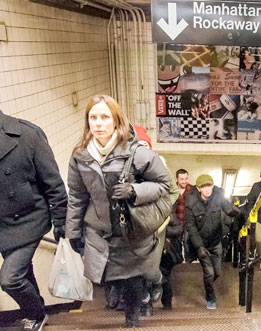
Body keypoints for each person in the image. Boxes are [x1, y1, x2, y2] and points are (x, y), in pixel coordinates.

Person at [66, 95, 172, 328]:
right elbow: (76, 196)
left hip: (130, 229)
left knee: (133, 279)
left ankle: (132, 319)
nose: (99, 123)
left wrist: (134, 190)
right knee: (104, 273)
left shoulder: (137, 153)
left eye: (105, 117)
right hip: (99, 228)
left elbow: (165, 186)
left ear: (116, 120)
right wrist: (72, 231)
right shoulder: (80, 155)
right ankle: (117, 291)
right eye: (93, 117)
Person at [0, 110, 67, 331]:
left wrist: (61, 222)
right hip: (3, 225)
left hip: (29, 220)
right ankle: (37, 315)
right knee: (23, 271)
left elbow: (53, 183)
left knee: (10, 279)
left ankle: (36, 313)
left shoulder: (27, 134)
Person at [133, 125, 179, 316]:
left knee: (151, 264)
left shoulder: (159, 167)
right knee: (136, 266)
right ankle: (145, 306)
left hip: (156, 226)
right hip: (134, 225)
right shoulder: (127, 169)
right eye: (138, 145)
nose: (142, 149)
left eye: (145, 144)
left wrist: (161, 210)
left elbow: (174, 192)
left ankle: (158, 284)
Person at [185, 174, 239, 310]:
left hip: (216, 242)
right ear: (198, 188)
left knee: (217, 272)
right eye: (203, 187)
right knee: (209, 272)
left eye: (209, 185)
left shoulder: (218, 195)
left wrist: (232, 211)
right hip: (202, 243)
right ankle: (210, 297)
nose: (207, 189)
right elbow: (190, 227)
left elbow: (226, 206)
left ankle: (207, 283)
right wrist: (199, 247)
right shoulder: (191, 204)